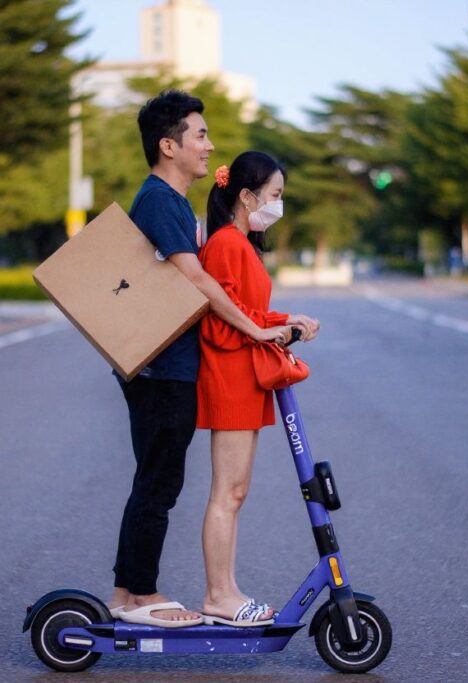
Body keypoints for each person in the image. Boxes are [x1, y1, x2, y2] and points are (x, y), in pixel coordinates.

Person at [110, 92, 292, 628]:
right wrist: (256, 328)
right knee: (158, 481)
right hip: (161, 365)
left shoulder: (172, 202)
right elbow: (196, 279)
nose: (210, 146)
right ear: (169, 146)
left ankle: (132, 589)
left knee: (160, 478)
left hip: (170, 365)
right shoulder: (159, 200)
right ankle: (135, 597)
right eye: (200, 135)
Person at [197, 151, 320, 627]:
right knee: (226, 492)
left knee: (236, 490)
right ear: (246, 196)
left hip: (245, 378)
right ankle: (218, 595)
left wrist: (285, 320)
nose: (278, 204)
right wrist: (269, 327)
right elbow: (219, 322)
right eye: (275, 196)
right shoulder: (227, 244)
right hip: (230, 376)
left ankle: (225, 590)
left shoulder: (241, 244)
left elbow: (244, 310)